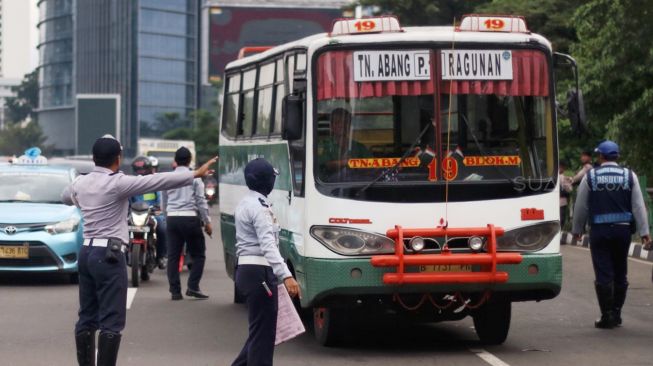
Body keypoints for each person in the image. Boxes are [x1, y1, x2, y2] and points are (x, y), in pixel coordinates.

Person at [62, 135, 217, 366]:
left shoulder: (80, 183)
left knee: (86, 316)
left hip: (86, 253)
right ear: (118, 159)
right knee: (111, 321)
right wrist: (194, 174)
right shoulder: (119, 182)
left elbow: (65, 197)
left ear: (94, 158)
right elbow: (158, 181)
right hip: (109, 255)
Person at [572, 140, 650, 329]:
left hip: (599, 231)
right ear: (617, 156)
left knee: (603, 272)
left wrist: (577, 230)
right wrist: (644, 232)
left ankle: (607, 315)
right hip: (623, 231)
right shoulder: (629, 176)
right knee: (620, 272)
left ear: (600, 157)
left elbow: (581, 206)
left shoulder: (590, 177)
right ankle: (617, 313)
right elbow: (638, 206)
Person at [232, 158, 301, 366]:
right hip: (259, 272)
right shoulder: (260, 207)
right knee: (263, 337)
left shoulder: (246, 202)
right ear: (267, 181)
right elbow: (268, 245)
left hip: (247, 270)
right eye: (272, 178)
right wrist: (286, 275)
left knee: (259, 332)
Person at [163, 147, 213, 300]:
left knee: (172, 256)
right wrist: (207, 221)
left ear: (175, 161)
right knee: (198, 254)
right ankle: (192, 286)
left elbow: (164, 201)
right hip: (190, 218)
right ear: (190, 160)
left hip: (172, 218)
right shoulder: (195, 178)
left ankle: (175, 291)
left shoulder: (168, 177)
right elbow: (200, 201)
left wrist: (167, 217)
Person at [129, 156, 167, 269]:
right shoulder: (132, 183)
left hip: (153, 214)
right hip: (135, 214)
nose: (140, 172)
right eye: (138, 169)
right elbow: (127, 200)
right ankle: (123, 253)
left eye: (143, 169)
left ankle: (161, 256)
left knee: (162, 229)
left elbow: (160, 197)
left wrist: (160, 207)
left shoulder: (154, 182)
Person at [317, 108, 370, 179]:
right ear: (332, 126)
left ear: (349, 125)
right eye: (337, 122)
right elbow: (327, 165)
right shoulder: (324, 144)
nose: (342, 125)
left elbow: (370, 164)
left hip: (357, 184)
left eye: (345, 122)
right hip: (330, 185)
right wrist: (348, 162)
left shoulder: (359, 146)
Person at [559, 161, 573, 230]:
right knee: (561, 218)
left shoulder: (563, 177)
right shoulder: (563, 177)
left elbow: (569, 189)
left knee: (560, 218)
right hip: (561, 201)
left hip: (560, 201)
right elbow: (569, 189)